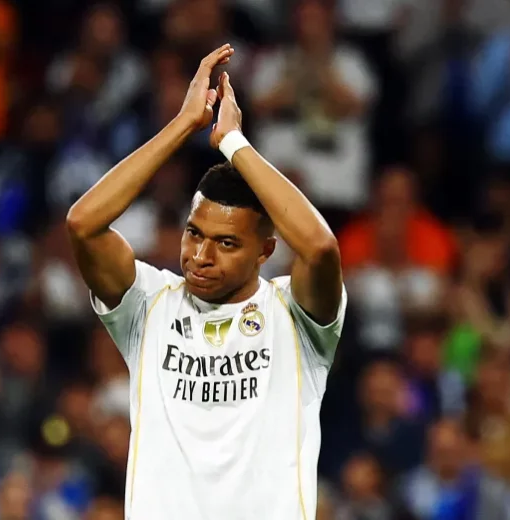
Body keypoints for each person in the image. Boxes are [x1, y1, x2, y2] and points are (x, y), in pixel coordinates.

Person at [67, 44, 346, 519]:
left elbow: (319, 247)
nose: (200, 256)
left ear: (265, 251)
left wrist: (234, 143)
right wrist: (183, 125)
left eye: (226, 243)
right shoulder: (149, 304)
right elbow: (83, 224)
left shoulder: (296, 315)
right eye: (194, 233)